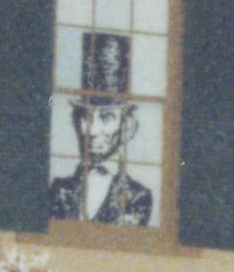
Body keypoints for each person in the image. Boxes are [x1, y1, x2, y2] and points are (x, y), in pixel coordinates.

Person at [46, 31, 155, 226]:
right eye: (87, 117)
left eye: (106, 117)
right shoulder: (59, 190)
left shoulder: (138, 197)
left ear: (126, 125)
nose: (93, 130)